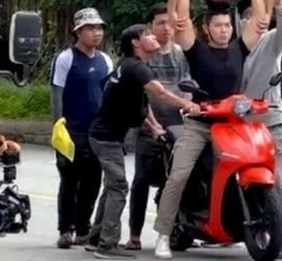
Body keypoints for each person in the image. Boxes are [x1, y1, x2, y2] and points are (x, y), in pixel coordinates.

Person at [153, 0, 272, 260]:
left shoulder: (239, 48)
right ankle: (164, 234)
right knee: (179, 175)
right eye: (216, 26)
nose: (223, 30)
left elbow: (261, 19)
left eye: (226, 25)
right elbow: (179, 18)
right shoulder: (196, 50)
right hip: (200, 124)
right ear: (206, 29)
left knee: (253, 162)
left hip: (232, 123)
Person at [85, 24, 200, 260]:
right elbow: (161, 94)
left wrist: (155, 127)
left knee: (111, 186)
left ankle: (96, 237)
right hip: (105, 138)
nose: (153, 36)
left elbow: (141, 105)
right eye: (146, 34)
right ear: (136, 43)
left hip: (106, 136)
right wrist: (187, 104)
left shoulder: (133, 68)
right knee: (118, 186)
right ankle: (106, 245)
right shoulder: (135, 68)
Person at [124, 3, 191, 251]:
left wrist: (189, 106)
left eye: (170, 23)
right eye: (161, 23)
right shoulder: (144, 58)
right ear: (149, 27)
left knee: (176, 178)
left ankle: (179, 229)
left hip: (178, 125)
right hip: (149, 126)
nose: (167, 28)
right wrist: (152, 124)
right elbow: (144, 96)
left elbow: (187, 86)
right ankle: (134, 234)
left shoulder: (181, 54)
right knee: (141, 179)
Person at [49, 7, 113, 248]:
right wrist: (57, 124)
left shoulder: (105, 60)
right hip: (71, 129)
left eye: (99, 28)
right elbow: (57, 92)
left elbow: (108, 93)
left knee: (92, 181)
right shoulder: (66, 58)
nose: (96, 33)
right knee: (69, 181)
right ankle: (65, 229)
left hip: (96, 130)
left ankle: (83, 227)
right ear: (78, 32)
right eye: (90, 28)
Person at [237, 0, 282, 244]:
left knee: (277, 181)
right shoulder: (235, 47)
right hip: (240, 125)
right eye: (250, 19)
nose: (256, 24)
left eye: (261, 18)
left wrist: (279, 1)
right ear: (242, 23)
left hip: (270, 121)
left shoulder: (271, 40)